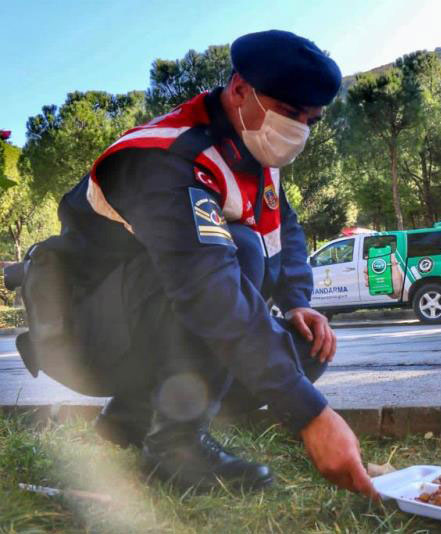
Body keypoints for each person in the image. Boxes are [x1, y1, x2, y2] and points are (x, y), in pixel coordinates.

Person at [14, 30, 376, 498]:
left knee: (301, 347)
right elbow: (210, 289)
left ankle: (128, 421)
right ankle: (174, 446)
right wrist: (312, 416)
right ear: (240, 89)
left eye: (312, 120)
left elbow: (284, 228)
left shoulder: (256, 153)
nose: (300, 131)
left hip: (147, 318)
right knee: (238, 251)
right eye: (290, 113)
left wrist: (295, 302)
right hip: (87, 331)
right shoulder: (164, 156)